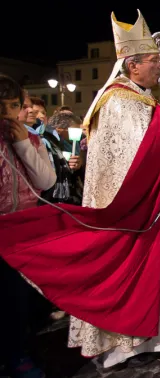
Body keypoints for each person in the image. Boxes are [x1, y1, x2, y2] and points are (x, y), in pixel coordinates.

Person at [0, 10, 160, 369]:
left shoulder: (140, 96)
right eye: (153, 61)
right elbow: (136, 155)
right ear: (132, 66)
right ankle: (126, 346)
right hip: (130, 211)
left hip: (157, 204)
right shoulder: (117, 101)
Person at [0, 74, 56, 378]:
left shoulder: (31, 139)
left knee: (21, 299)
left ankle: (20, 351)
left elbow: (47, 180)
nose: (11, 114)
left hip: (25, 229)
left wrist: (23, 143)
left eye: (15, 106)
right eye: (4, 107)